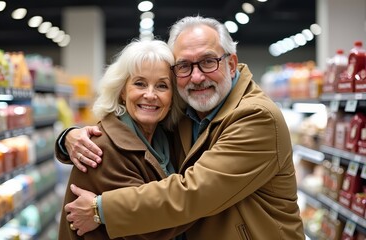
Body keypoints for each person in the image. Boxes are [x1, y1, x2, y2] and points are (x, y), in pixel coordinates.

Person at [57, 15, 305, 240]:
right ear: (122, 91)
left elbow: (193, 193)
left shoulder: (257, 117)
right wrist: (68, 137)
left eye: (208, 61)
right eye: (185, 66)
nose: (197, 77)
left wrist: (101, 209)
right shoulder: (188, 114)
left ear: (231, 64)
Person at [57, 39, 193, 240]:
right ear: (122, 91)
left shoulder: (166, 137)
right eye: (140, 83)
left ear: (173, 96)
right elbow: (150, 226)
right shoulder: (102, 149)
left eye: (162, 86)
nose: (150, 94)